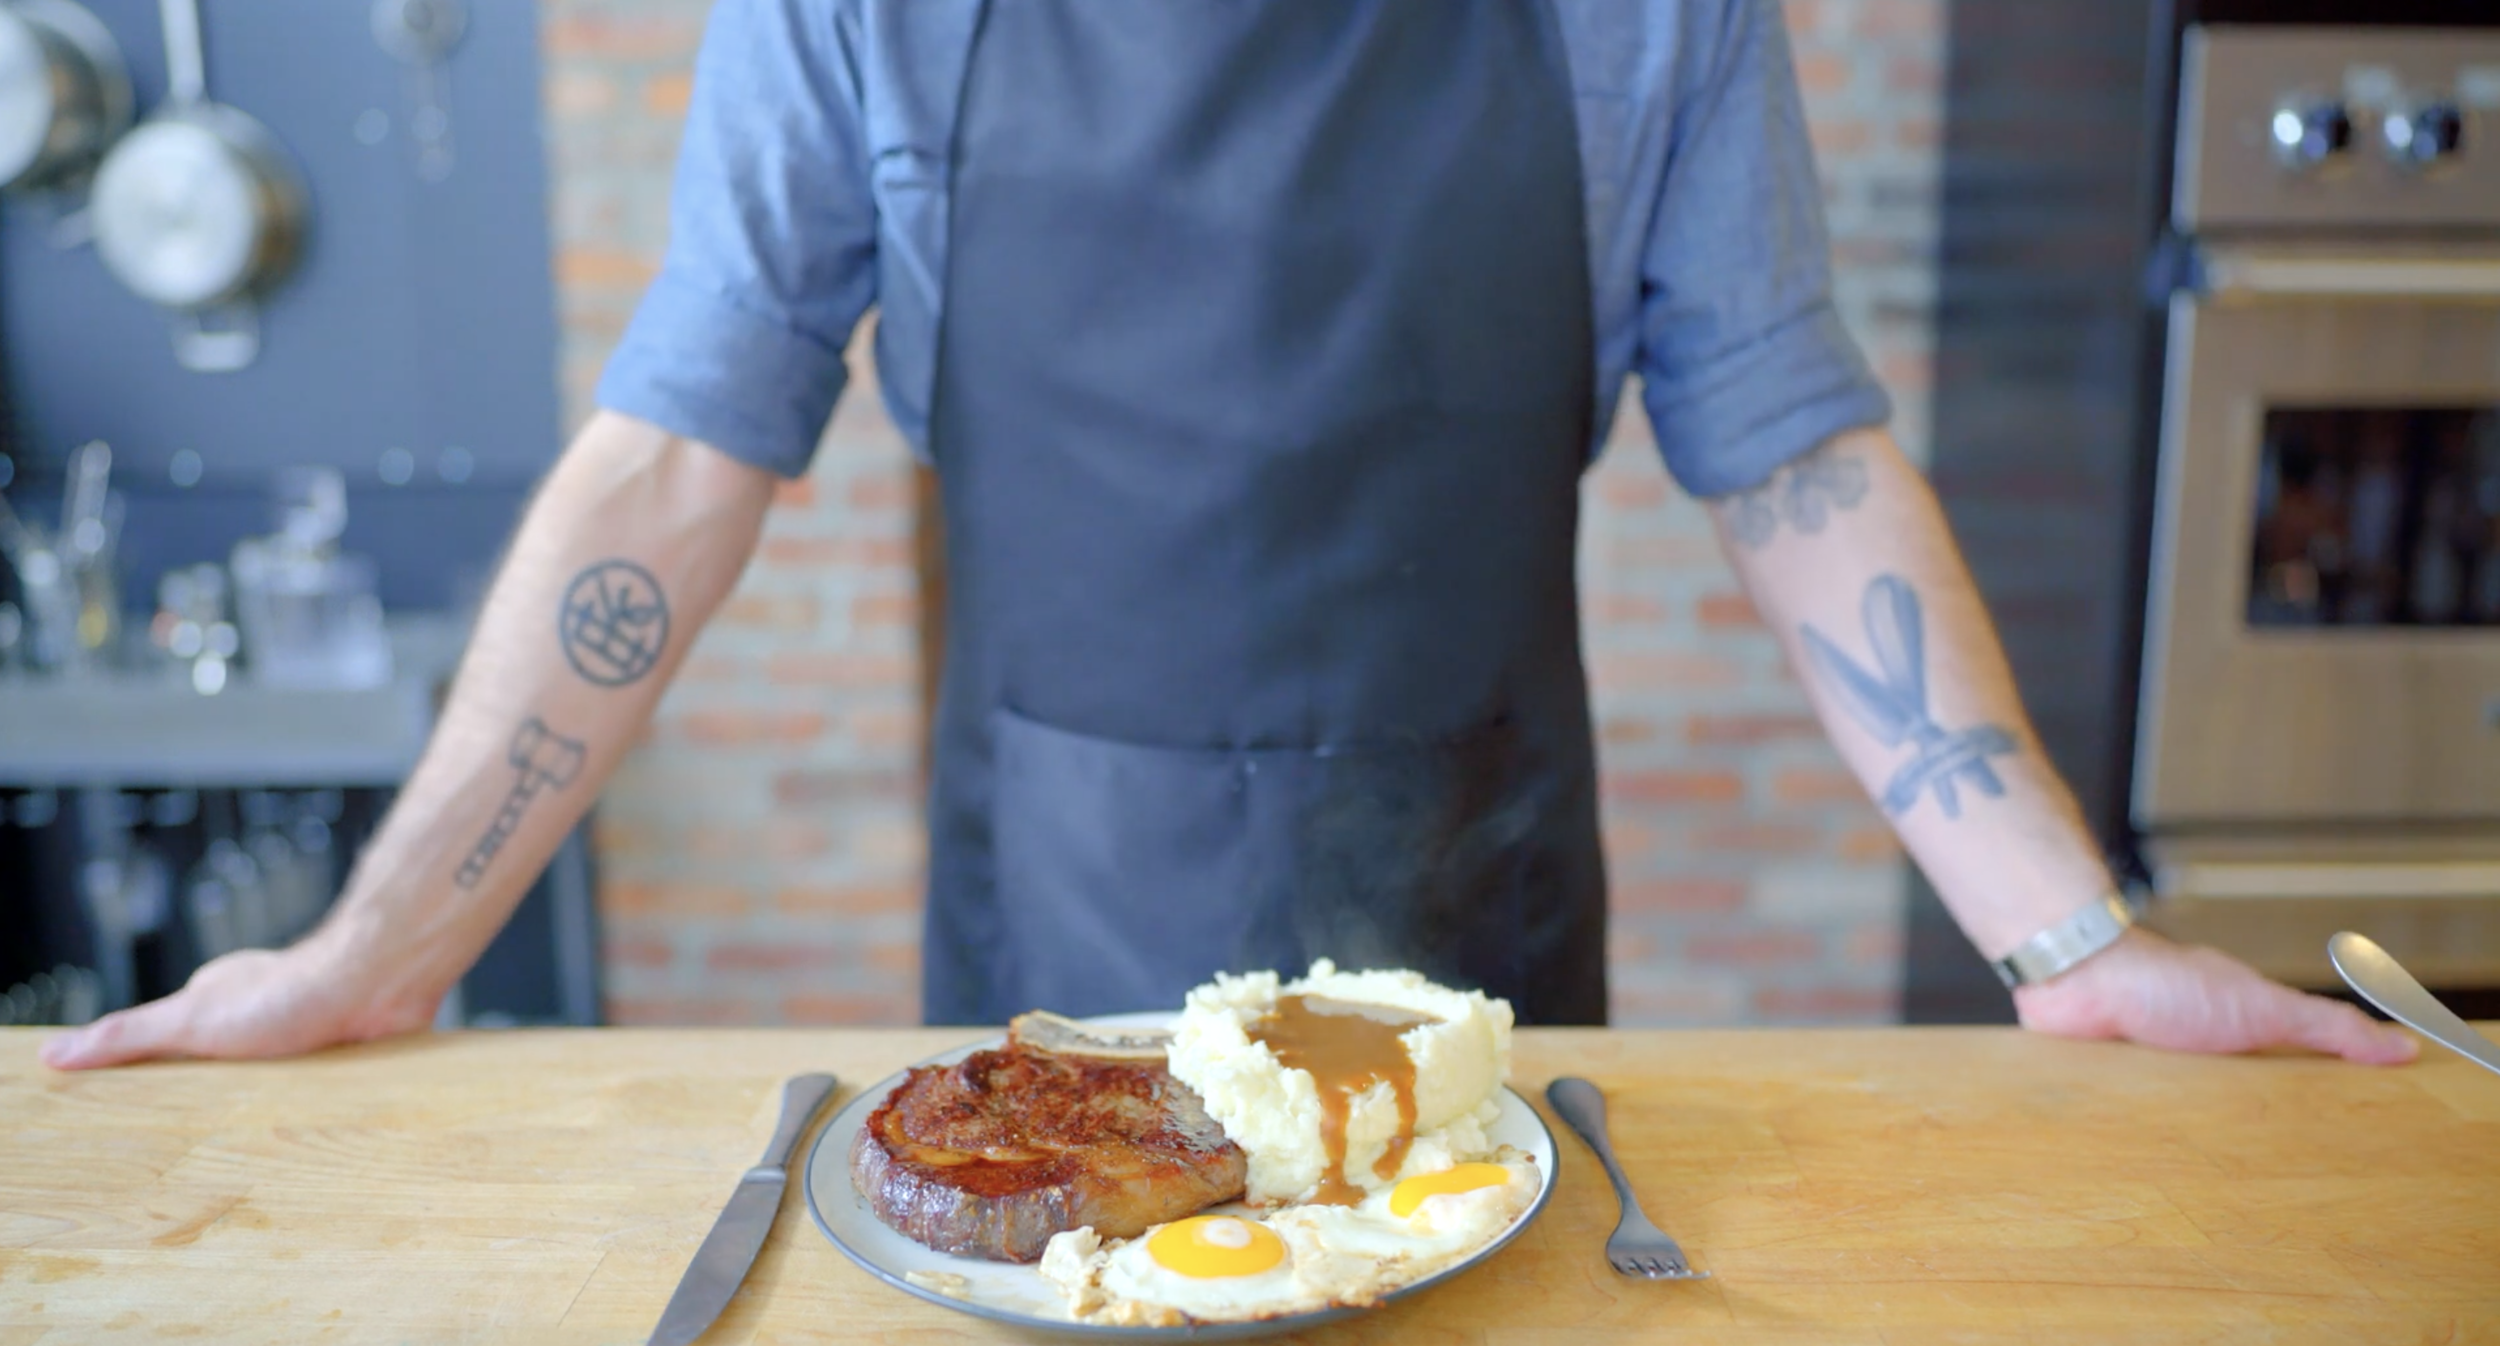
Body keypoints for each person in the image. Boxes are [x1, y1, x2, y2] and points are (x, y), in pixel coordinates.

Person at [41, 0, 2414, 1070]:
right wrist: (379, 955)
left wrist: (2064, 942)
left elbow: (1791, 455)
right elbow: (677, 453)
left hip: (1476, 964)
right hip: (1045, 952)